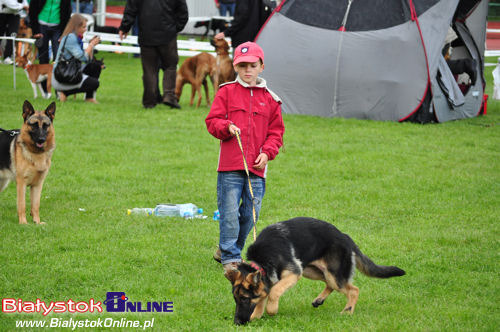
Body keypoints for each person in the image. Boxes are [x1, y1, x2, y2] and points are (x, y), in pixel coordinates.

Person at [205, 41, 285, 271]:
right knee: (229, 214)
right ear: (236, 68)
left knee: (250, 215)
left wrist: (267, 153)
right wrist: (226, 126)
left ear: (262, 66)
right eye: (242, 66)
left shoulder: (271, 99)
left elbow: (276, 133)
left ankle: (228, 249)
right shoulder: (226, 92)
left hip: (257, 170)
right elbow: (212, 122)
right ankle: (231, 259)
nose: (247, 70)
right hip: (229, 167)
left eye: (252, 65)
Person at [118, 0, 188, 109]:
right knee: (170, 66)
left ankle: (149, 101)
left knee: (149, 69)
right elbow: (183, 12)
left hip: (146, 34)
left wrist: (124, 27)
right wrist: (174, 28)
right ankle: (169, 96)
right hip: (168, 35)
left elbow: (131, 9)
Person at [52, 14, 101, 103]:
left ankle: (89, 97)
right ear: (76, 27)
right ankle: (64, 92)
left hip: (68, 72)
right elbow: (82, 58)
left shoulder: (75, 37)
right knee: (95, 83)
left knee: (95, 66)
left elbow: (87, 60)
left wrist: (91, 45)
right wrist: (91, 45)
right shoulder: (71, 38)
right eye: (83, 27)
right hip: (61, 76)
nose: (85, 29)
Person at [0, 0, 29, 64]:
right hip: (2, 13)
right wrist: (24, 7)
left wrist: (26, 7)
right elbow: (11, 4)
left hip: (15, 15)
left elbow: (24, 2)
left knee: (12, 36)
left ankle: (7, 57)